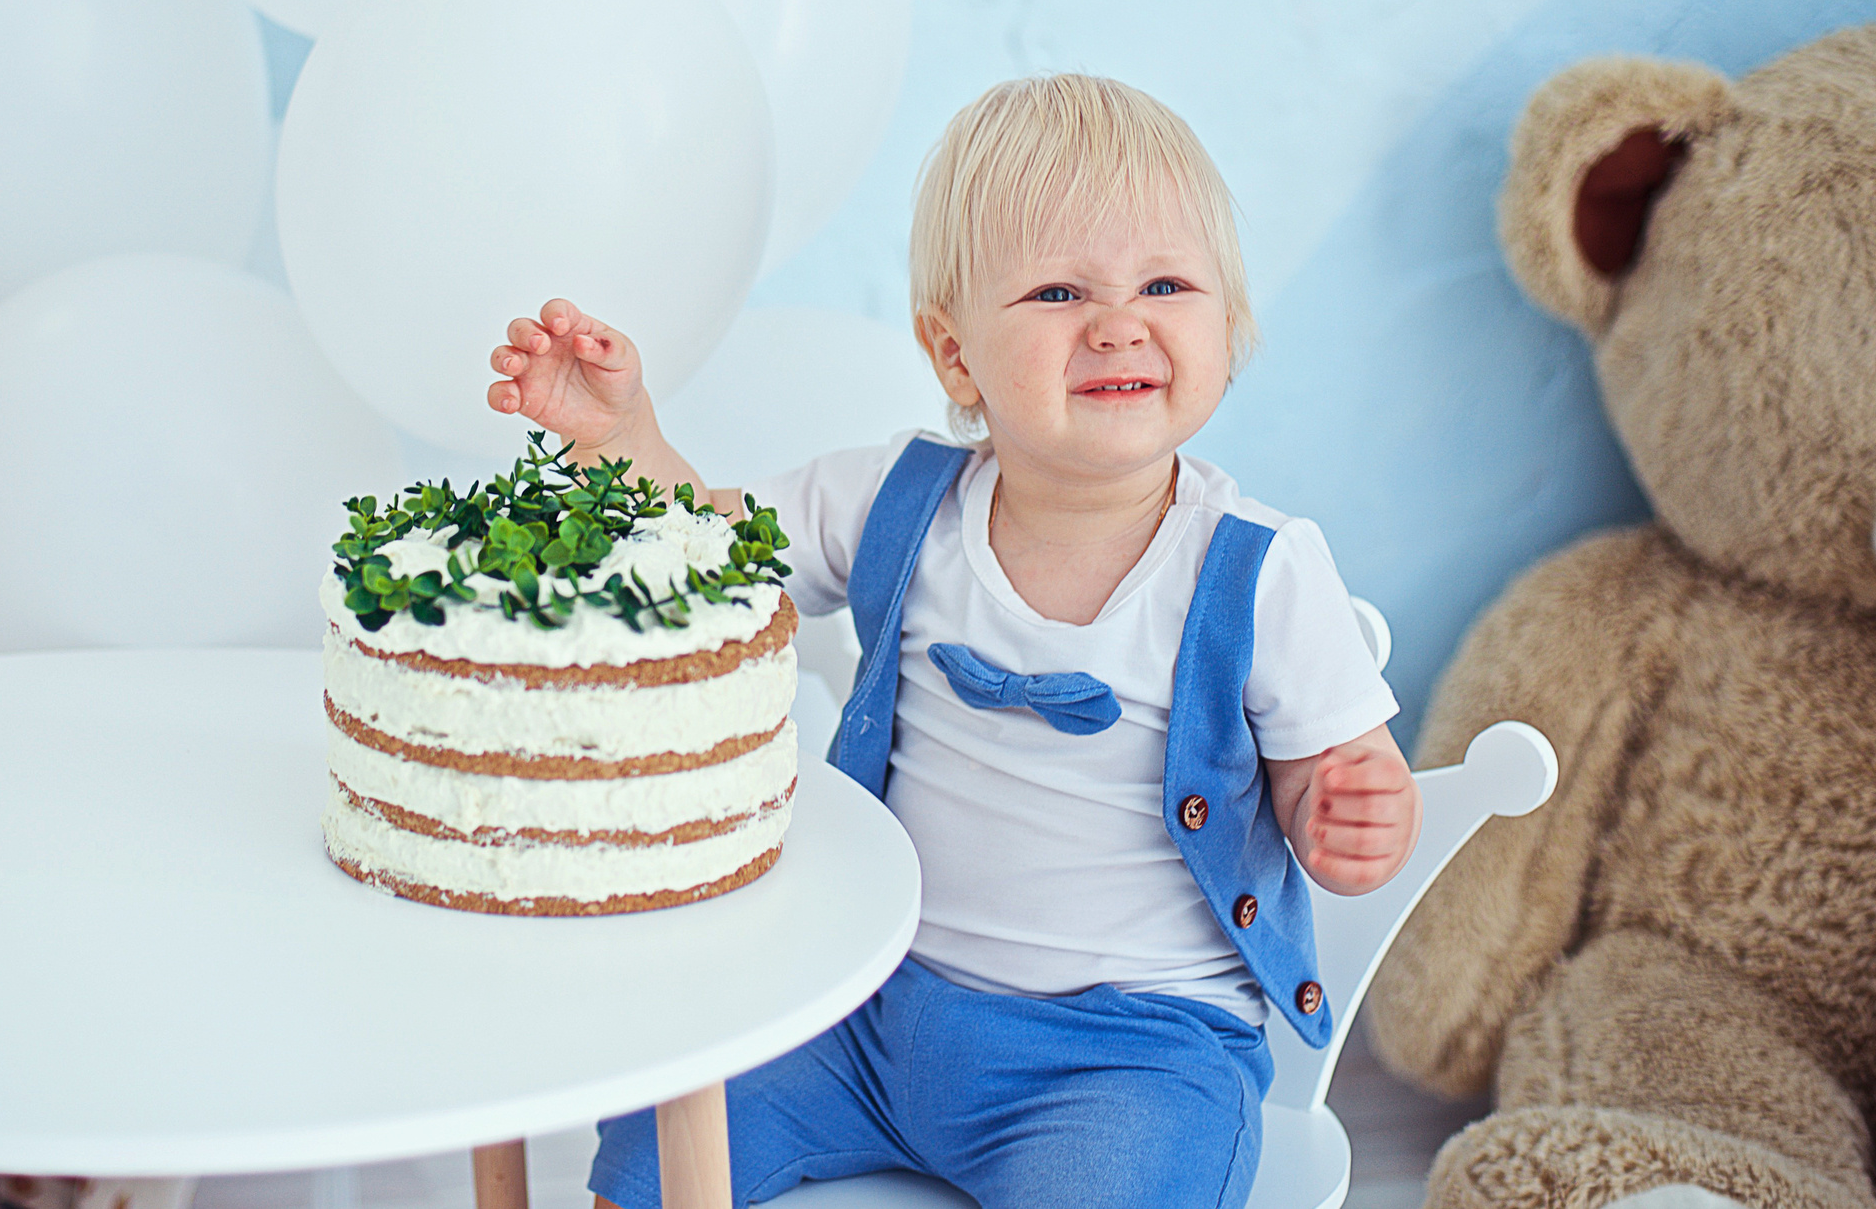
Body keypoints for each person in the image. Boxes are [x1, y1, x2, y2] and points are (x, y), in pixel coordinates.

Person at [486, 73, 1422, 1209]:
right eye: (1057, 290)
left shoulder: (1260, 568)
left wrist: (1348, 803)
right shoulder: (899, 500)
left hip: (1128, 1052)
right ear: (955, 355)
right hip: (866, 1005)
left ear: (1227, 326)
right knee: (664, 1121)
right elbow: (705, 553)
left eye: (1166, 283)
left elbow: (1338, 771)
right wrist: (622, 437)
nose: (1118, 320)